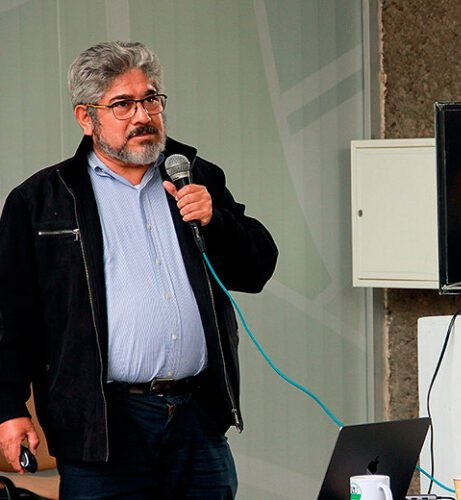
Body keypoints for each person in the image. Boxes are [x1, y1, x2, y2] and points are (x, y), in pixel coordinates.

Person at [0, 41, 278, 498]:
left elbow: (258, 268)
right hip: (104, 425)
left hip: (197, 420)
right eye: (123, 104)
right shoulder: (42, 200)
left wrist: (217, 221)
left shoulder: (192, 175)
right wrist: (10, 408)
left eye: (150, 100)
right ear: (86, 118)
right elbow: (11, 319)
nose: (143, 116)